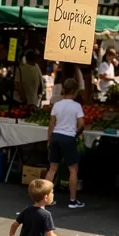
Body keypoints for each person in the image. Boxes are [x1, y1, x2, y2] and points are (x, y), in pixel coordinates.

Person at [45, 78, 86, 209]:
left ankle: (45, 198)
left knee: (52, 168)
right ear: (74, 91)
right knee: (73, 169)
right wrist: (76, 133)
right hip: (68, 137)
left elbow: (51, 124)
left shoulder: (57, 105)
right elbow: (81, 124)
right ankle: (72, 200)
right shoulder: (77, 106)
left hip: (56, 136)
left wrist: (49, 139)